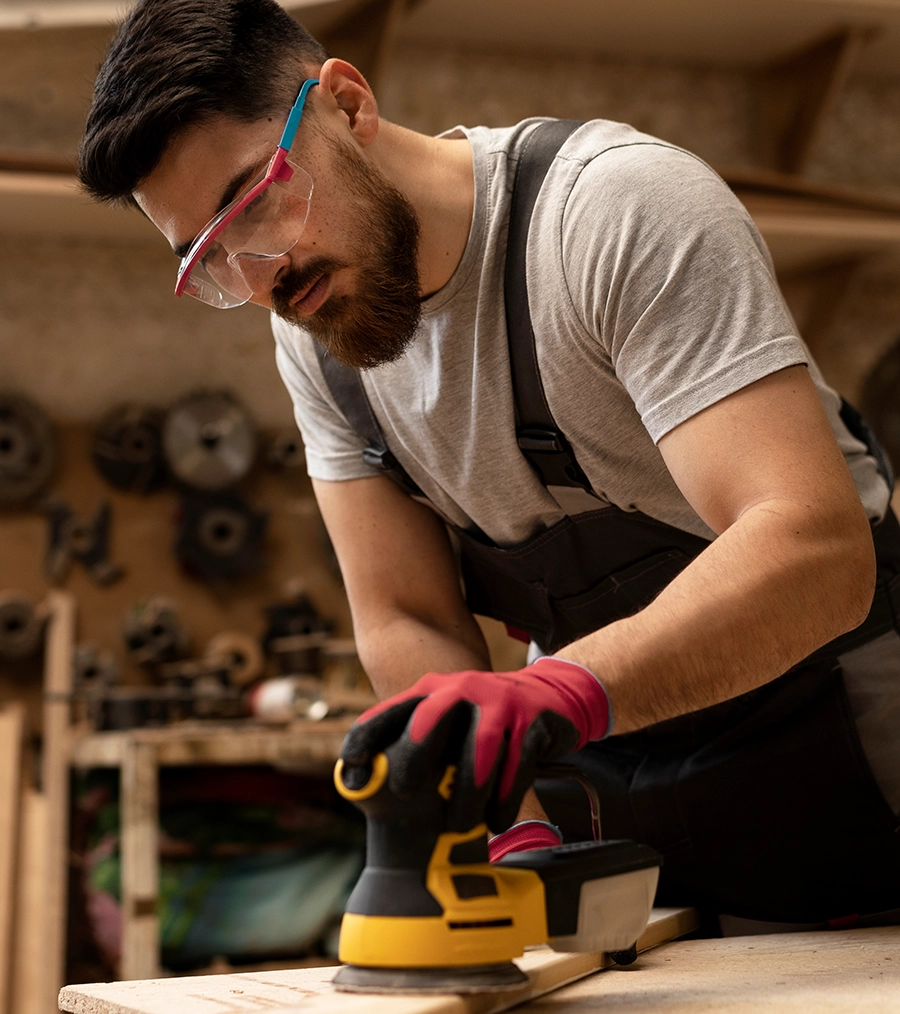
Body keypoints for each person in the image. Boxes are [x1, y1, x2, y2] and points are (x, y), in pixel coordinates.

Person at [78, 0, 900, 929]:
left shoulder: (612, 213)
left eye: (257, 200)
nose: (261, 275)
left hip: (845, 751)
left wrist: (559, 692)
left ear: (347, 103)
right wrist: (506, 822)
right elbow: (407, 614)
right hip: (612, 780)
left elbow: (814, 548)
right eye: (210, 257)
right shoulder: (319, 338)